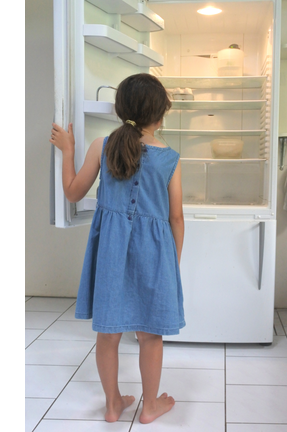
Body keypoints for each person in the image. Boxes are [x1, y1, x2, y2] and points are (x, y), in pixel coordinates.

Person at [49, 73, 185, 424]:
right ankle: (150, 406)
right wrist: (173, 263)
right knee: (150, 336)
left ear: (120, 109)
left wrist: (68, 151)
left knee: (108, 334)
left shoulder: (101, 145)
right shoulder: (170, 158)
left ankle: (113, 405)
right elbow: (177, 218)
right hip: (154, 256)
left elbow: (72, 192)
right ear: (160, 115)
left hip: (110, 253)